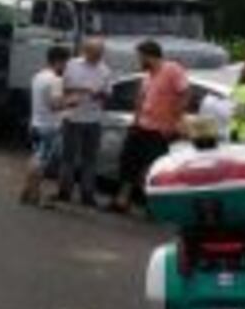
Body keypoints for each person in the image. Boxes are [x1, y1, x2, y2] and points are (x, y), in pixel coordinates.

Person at [110, 40, 189, 214]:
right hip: (141, 126)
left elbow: (184, 93)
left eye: (140, 57)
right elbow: (141, 100)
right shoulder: (148, 75)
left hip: (159, 130)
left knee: (152, 169)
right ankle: (122, 201)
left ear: (148, 56)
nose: (138, 61)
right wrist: (135, 121)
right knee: (128, 163)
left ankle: (153, 207)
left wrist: (176, 120)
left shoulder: (172, 69)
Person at [57, 37, 113, 207]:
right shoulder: (72, 65)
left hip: (93, 119)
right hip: (72, 116)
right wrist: (82, 90)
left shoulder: (105, 69)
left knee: (90, 159)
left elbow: (108, 93)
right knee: (68, 157)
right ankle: (64, 192)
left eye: (100, 54)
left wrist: (100, 95)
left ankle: (87, 195)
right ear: (86, 51)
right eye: (95, 54)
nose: (98, 57)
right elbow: (62, 88)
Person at [21, 45, 71, 205]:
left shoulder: (38, 76)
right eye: (66, 63)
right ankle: (36, 195)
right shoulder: (55, 80)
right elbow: (55, 105)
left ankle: (27, 191)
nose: (66, 67)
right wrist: (73, 101)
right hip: (50, 126)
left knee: (35, 158)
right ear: (59, 61)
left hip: (36, 123)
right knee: (42, 163)